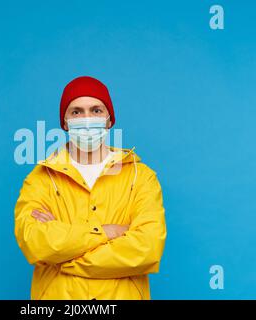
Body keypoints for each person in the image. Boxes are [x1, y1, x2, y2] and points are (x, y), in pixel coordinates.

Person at [14, 75, 167, 300]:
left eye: (96, 110)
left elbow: (147, 249)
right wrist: (108, 232)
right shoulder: (41, 179)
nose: (87, 119)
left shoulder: (140, 177)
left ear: (109, 120)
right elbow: (36, 243)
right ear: (65, 123)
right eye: (76, 112)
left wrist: (67, 259)